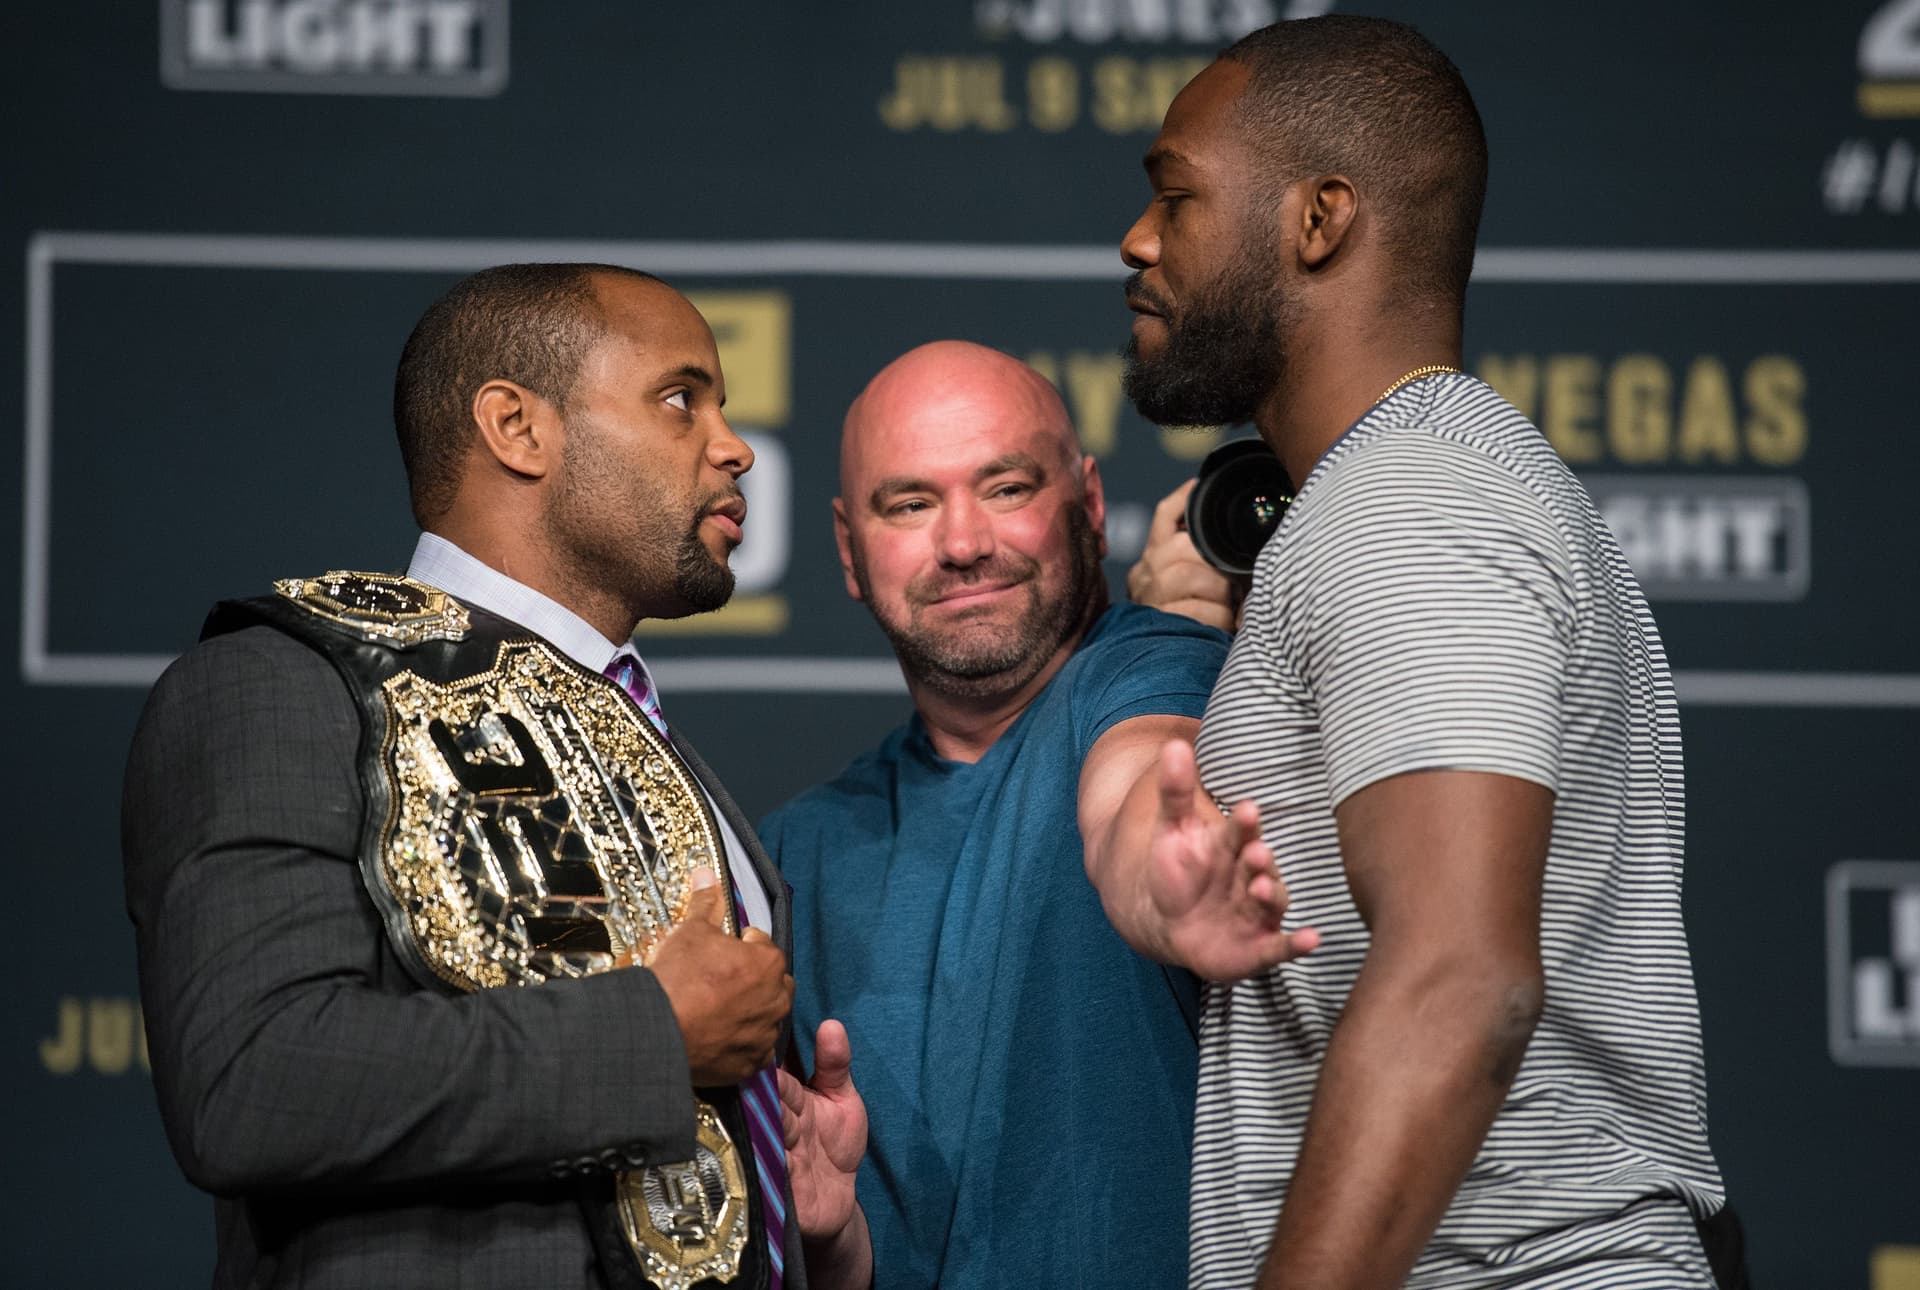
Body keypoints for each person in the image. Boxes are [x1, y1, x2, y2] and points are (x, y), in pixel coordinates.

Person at [1086, 15, 1745, 1289]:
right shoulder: (1421, 485)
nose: (1140, 238)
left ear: (1319, 220)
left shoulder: (1412, 508)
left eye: (1177, 196)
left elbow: (1459, 978)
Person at [122, 263, 867, 1290]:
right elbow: (250, 1082)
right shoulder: (285, 686)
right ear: (517, 428)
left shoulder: (641, 735)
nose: (733, 446)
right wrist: (653, 1036)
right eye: (679, 399)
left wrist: (809, 1240)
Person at [759, 340, 1298, 1289]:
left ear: (1088, 504)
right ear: (849, 548)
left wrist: (1163, 881)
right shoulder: (796, 849)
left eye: (1006, 488)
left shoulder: (1156, 668)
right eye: (912, 504)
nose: (963, 542)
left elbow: (1137, 783)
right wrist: (833, 1243)